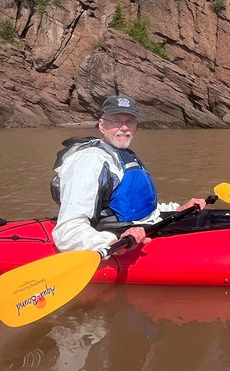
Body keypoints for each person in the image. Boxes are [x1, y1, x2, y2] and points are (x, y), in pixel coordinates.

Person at [51, 95, 206, 255]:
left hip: (146, 225)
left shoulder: (123, 154)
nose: (124, 127)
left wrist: (177, 209)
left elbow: (134, 204)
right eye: (116, 121)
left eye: (129, 121)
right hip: (117, 237)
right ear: (102, 126)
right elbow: (68, 230)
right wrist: (110, 243)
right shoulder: (91, 161)